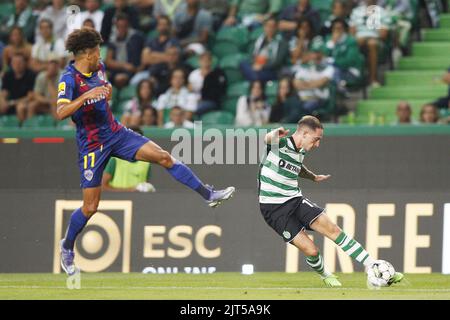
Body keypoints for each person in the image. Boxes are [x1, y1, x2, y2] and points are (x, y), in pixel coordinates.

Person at [56, 28, 235, 276]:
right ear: (86, 52)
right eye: (97, 50)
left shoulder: (99, 68)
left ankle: (208, 194)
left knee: (164, 156)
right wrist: (88, 94)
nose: (100, 54)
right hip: (92, 144)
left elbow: (102, 93)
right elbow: (61, 112)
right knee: (90, 207)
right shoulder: (68, 79)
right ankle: (66, 247)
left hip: (116, 133)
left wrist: (103, 91)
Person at [258, 115, 404, 287]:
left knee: (333, 229)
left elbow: (295, 166)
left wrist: (312, 177)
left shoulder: (301, 150)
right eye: (316, 139)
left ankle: (373, 266)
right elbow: (266, 140)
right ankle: (326, 275)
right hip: (274, 208)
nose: (318, 144)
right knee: (311, 251)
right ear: (304, 134)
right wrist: (275, 133)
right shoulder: (280, 143)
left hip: (294, 199)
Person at [102, 126, 156, 193]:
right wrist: (130, 190)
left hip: (139, 202)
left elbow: (143, 187)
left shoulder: (147, 164)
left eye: (138, 140)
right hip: (118, 202)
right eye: (132, 140)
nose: (135, 143)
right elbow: (103, 187)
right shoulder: (114, 160)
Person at [239, 18, 288, 82]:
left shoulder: (282, 43)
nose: (269, 29)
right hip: (256, 65)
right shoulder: (258, 40)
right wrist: (254, 64)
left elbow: (277, 62)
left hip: (270, 70)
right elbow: (251, 55)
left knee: (255, 75)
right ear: (264, 27)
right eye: (267, 26)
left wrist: (262, 67)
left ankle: (254, 79)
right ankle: (254, 77)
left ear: (276, 28)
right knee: (243, 63)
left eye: (272, 26)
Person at [104, 13, 145, 88]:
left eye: (124, 26)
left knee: (120, 78)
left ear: (128, 25)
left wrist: (139, 68)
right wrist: (124, 65)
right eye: (119, 26)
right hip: (118, 69)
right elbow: (108, 61)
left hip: (133, 70)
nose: (121, 29)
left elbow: (143, 55)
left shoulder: (136, 38)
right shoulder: (113, 39)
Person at [188, 51, 227, 116]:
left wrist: (202, 98)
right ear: (199, 61)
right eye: (203, 60)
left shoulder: (216, 75)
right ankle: (185, 125)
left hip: (209, 101)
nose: (205, 62)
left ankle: (197, 126)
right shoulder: (194, 74)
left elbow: (218, 92)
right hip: (194, 99)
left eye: (207, 60)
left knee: (196, 109)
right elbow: (189, 90)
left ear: (211, 61)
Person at [0, 53, 36, 123]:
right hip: (9, 102)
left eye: (19, 62)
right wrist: (3, 101)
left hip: (25, 102)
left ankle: (21, 131)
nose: (17, 65)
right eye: (14, 63)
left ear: (25, 63)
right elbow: (4, 92)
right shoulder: (8, 75)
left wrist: (13, 103)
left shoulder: (31, 75)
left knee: (21, 107)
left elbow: (30, 96)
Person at [27, 55, 61, 120]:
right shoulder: (41, 76)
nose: (52, 66)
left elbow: (56, 97)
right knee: (31, 105)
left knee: (54, 105)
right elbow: (36, 95)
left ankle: (57, 126)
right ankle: (31, 127)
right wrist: (47, 101)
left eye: (55, 64)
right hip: (45, 101)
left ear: (58, 66)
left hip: (59, 103)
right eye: (50, 64)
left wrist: (49, 81)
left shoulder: (62, 76)